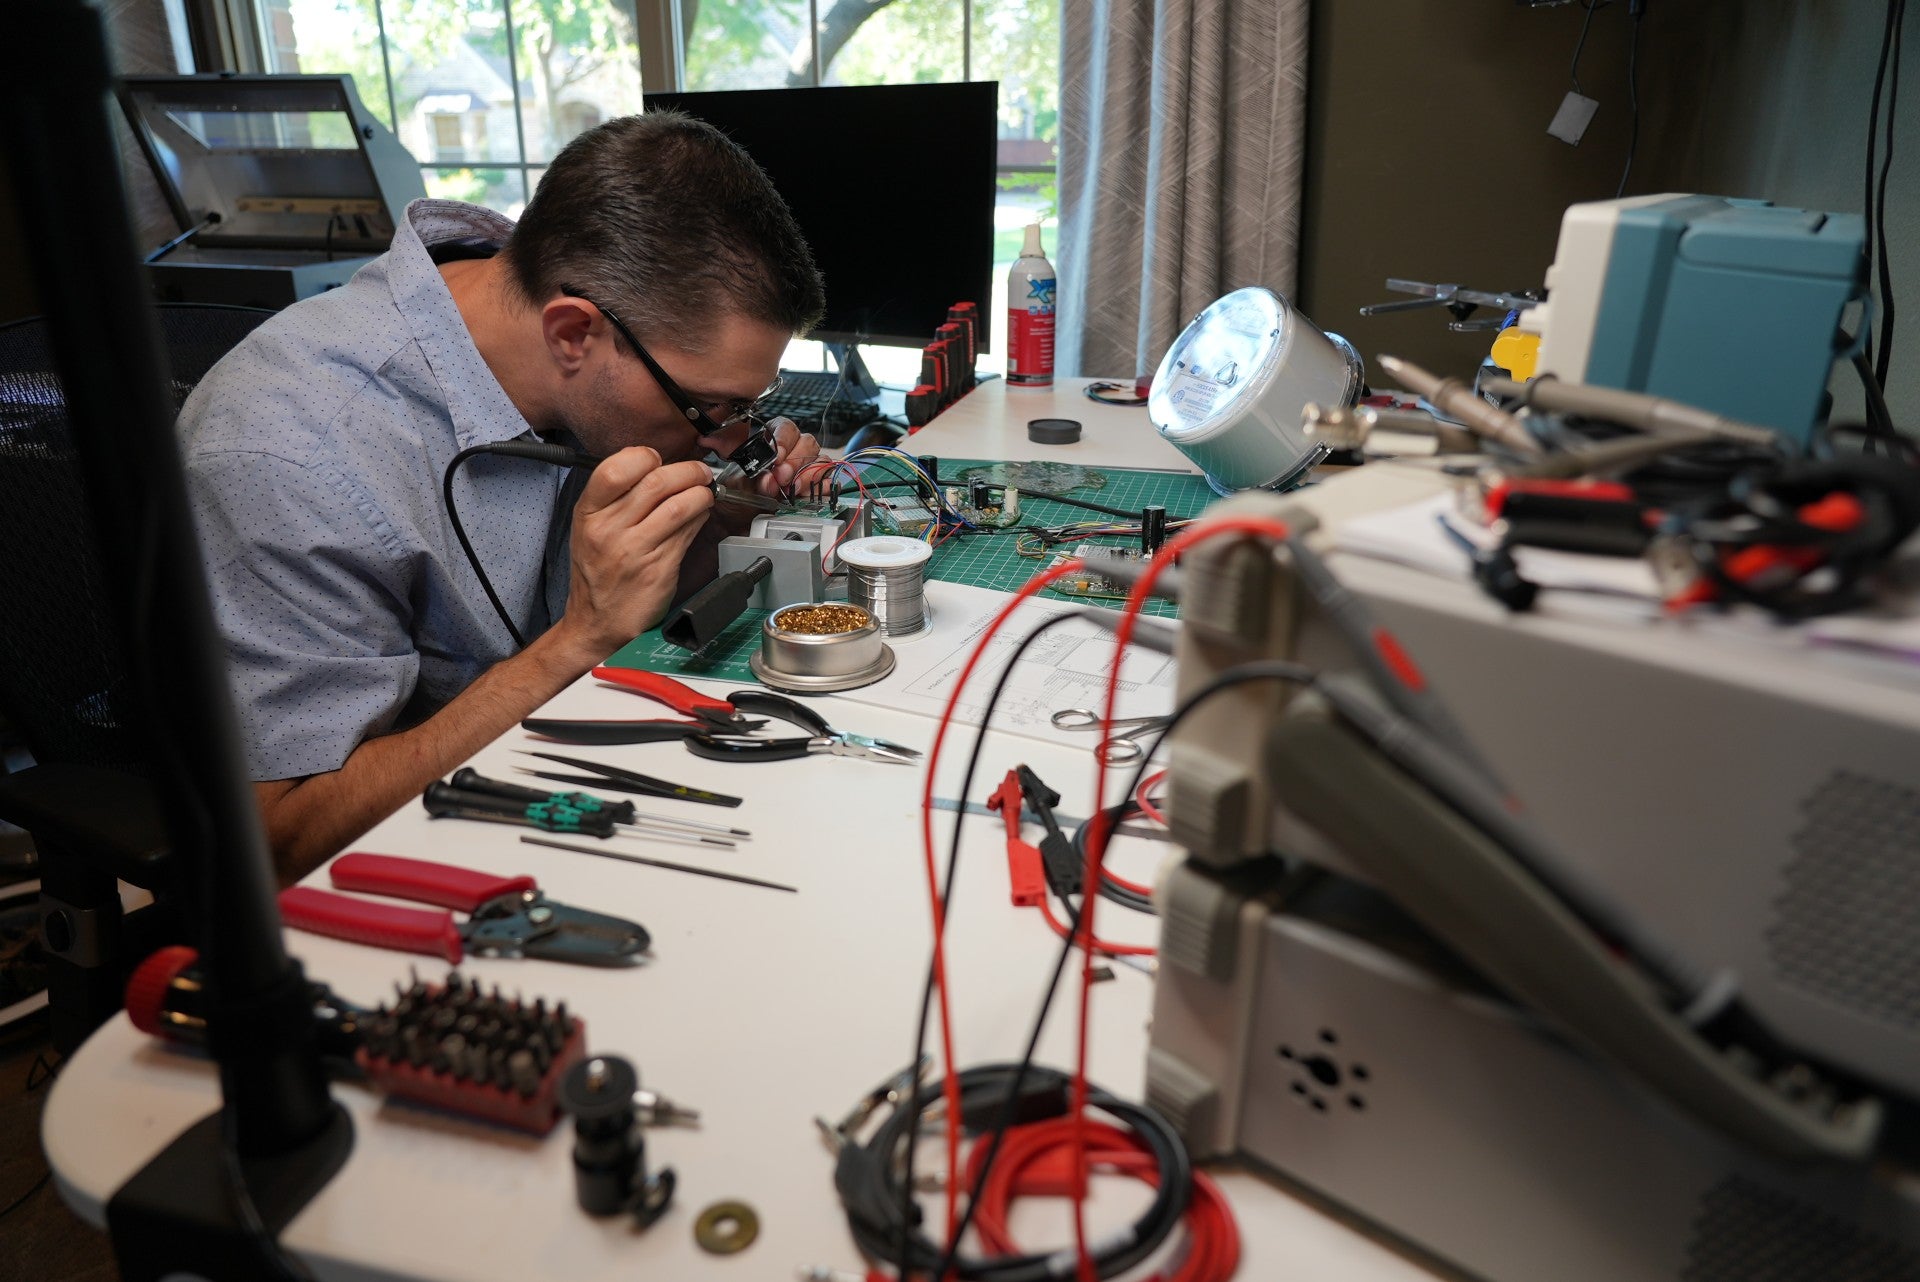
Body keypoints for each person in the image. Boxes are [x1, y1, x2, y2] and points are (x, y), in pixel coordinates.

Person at [179, 111, 826, 881]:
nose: (730, 438)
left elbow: (611, 602)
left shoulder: (536, 316)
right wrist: (578, 640)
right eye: (712, 407)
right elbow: (280, 837)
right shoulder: (295, 455)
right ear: (572, 334)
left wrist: (719, 522)